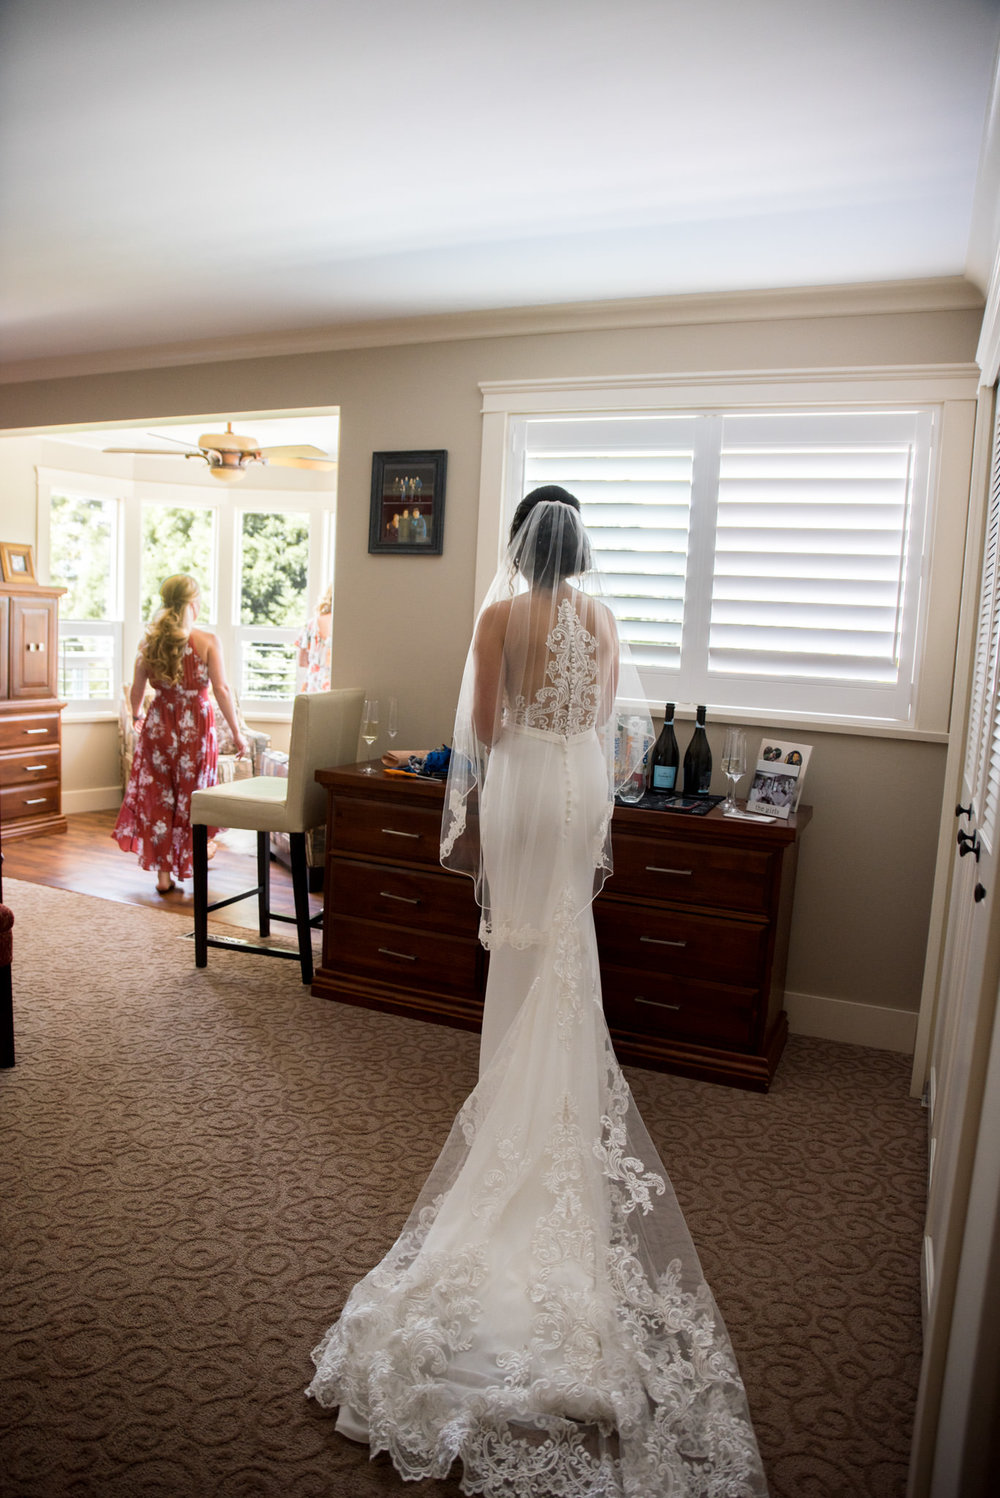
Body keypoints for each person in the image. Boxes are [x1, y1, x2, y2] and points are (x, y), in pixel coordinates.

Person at [307, 490, 768, 1496]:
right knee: (565, 939)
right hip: (573, 789)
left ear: (521, 549)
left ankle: (511, 1081)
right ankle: (548, 1091)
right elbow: (606, 720)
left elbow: (478, 725)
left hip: (520, 780)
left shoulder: (499, 618)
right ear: (581, 548)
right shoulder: (599, 621)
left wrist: (501, 732)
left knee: (516, 942)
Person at [112, 574, 246, 894]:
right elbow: (222, 690)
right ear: (193, 603)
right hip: (195, 730)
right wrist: (238, 734)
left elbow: (137, 688)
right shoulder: (208, 641)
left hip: (159, 725)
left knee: (160, 797)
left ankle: (162, 875)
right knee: (193, 795)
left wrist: (136, 716)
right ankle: (191, 859)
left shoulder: (150, 642)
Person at [295, 584, 332, 693]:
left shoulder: (311, 624)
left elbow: (302, 661)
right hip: (334, 682)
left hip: (313, 682)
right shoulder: (346, 626)